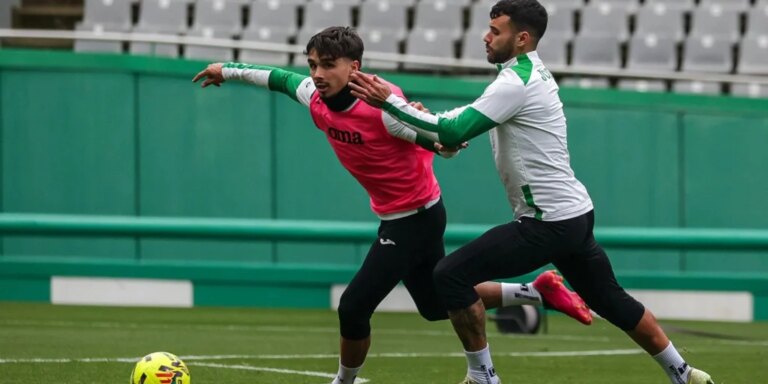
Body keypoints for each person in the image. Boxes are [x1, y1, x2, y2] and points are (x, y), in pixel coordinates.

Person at [193, 26, 592, 384]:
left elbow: (444, 144)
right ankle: (535, 292)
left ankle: (344, 381)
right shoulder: (314, 96)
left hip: (415, 220)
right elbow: (277, 78)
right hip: (401, 216)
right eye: (313, 64)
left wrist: (438, 136)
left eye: (328, 65)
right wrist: (225, 70)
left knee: (353, 306)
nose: (317, 74)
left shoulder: (381, 108)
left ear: (354, 67)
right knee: (435, 305)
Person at [348, 1, 716, 384]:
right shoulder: (522, 75)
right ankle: (684, 373)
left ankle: (483, 376)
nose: (486, 37)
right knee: (611, 300)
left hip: (547, 222)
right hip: (572, 215)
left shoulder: (516, 82)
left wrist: (390, 102)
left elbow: (454, 129)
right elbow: (457, 122)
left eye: (496, 31)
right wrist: (421, 119)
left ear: (522, 38)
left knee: (450, 276)